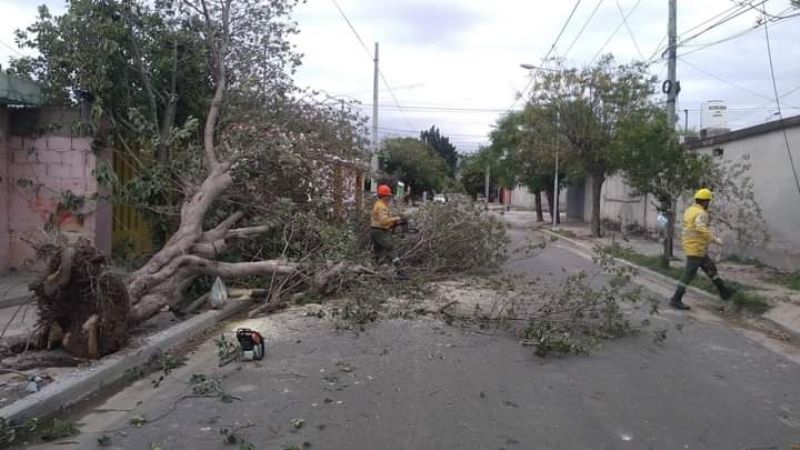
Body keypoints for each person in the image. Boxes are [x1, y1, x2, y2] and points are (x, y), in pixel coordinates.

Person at [669, 188, 735, 310]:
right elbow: (700, 228)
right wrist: (715, 239)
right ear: (705, 202)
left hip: (693, 246)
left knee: (710, 268)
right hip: (696, 249)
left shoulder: (690, 210)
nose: (709, 204)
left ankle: (724, 291)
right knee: (688, 274)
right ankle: (676, 299)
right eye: (709, 202)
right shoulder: (701, 213)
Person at [371, 184, 402, 263]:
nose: (389, 198)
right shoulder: (382, 207)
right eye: (388, 196)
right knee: (391, 247)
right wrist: (395, 219)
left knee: (378, 250)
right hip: (380, 231)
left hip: (375, 230)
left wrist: (392, 223)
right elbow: (383, 221)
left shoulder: (378, 204)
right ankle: (399, 269)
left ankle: (375, 267)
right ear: (384, 196)